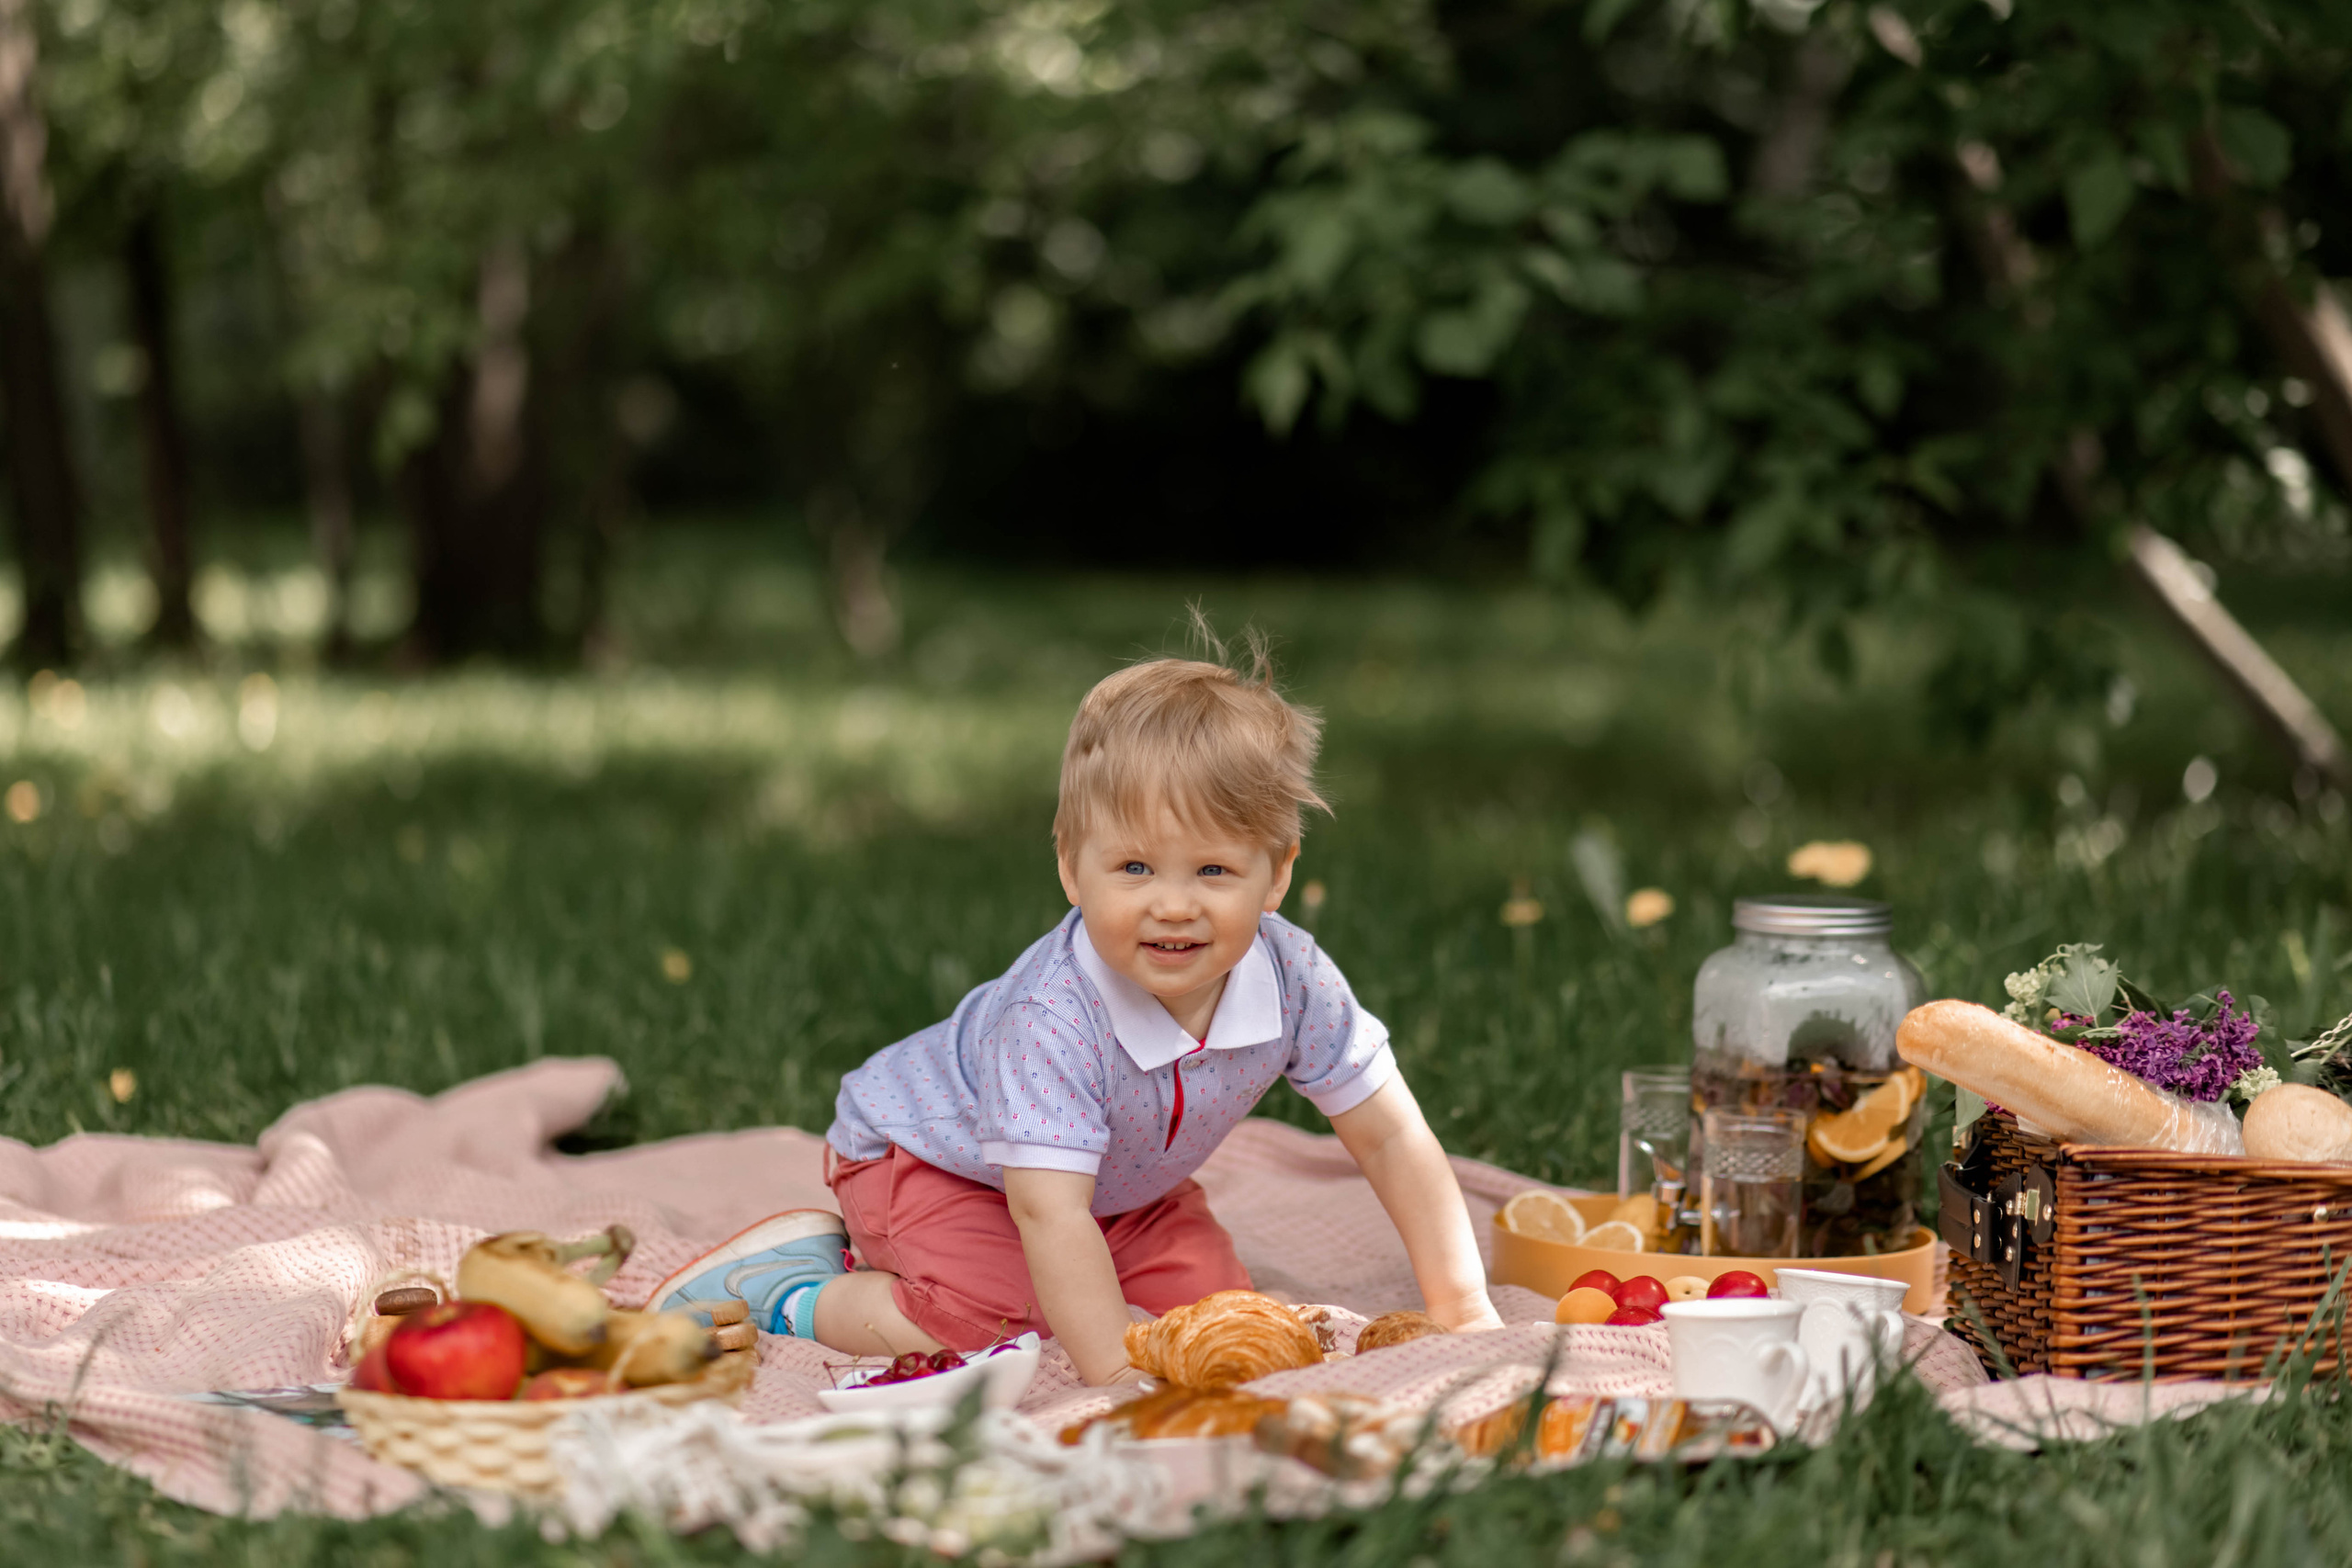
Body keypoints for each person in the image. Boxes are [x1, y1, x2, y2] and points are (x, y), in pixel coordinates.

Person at [653, 634, 1503, 1383]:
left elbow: (1390, 1137)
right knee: (998, 1321)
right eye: (1134, 868)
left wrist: (1464, 1305)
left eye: (1213, 870)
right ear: (1070, 865)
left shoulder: (1295, 980)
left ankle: (1107, 1288)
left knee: (1215, 1315)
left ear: (1277, 873)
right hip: (930, 1162)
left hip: (1112, 1191)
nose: (1173, 905)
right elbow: (1046, 1212)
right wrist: (1111, 1371)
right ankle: (794, 1287)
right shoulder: (1053, 1018)